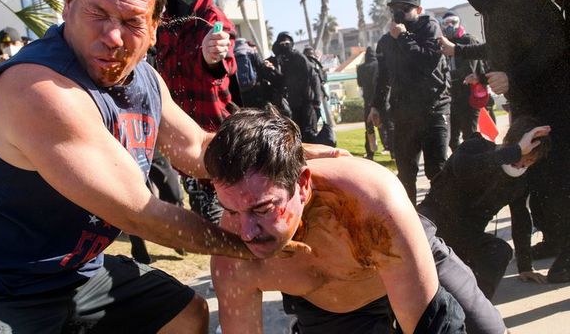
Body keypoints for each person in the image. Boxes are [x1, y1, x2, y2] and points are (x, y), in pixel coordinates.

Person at [0, 0, 338, 331]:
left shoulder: (142, 77)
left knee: (186, 314)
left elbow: (198, 148)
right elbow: (142, 213)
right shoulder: (37, 89)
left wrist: (287, 156)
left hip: (78, 275)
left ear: (155, 26)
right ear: (69, 1)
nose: (113, 37)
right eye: (98, 12)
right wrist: (252, 245)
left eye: (131, 22)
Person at [207, 107, 508, 334]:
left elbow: (426, 324)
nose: (246, 232)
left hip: (410, 264)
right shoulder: (233, 257)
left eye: (262, 209)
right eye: (231, 210)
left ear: (301, 184)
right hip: (333, 310)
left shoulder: (370, 202)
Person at [440, 0, 570, 283]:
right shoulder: (494, 6)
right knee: (538, 181)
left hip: (556, 103)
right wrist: (481, 75)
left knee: (559, 180)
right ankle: (555, 239)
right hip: (528, 106)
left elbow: (555, 45)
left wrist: (514, 77)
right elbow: (501, 49)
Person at [419, 117, 551, 299]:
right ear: (511, 143)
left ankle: (471, 306)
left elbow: (520, 217)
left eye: (530, 160)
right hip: (429, 228)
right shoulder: (476, 146)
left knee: (500, 251)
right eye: (522, 155)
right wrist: (515, 152)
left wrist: (525, 265)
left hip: (463, 239)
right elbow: (463, 169)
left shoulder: (519, 182)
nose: (522, 163)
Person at [155, 0, 238, 225]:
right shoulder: (162, 23)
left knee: (225, 222)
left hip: (215, 141)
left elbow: (223, 65)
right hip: (181, 141)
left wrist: (211, 56)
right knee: (203, 218)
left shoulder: (215, 21)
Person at [370, 0, 451, 204]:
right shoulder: (387, 41)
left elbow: (428, 63)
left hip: (433, 111)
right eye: (395, 9)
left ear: (419, 9)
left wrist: (404, 37)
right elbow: (383, 78)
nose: (399, 13)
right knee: (406, 173)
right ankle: (410, 223)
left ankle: (443, 221)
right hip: (404, 114)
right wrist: (376, 106)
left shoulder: (429, 27)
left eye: (405, 9)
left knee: (437, 171)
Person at [440, 11, 487, 151]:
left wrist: (445, 75)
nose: (450, 26)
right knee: (452, 138)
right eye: (446, 23)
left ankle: (475, 165)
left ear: (459, 23)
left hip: (469, 95)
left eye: (453, 22)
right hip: (452, 95)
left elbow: (468, 72)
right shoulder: (445, 44)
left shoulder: (468, 40)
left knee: (470, 135)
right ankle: (461, 165)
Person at [267, 32, 323, 142]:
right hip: (294, 104)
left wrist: (317, 100)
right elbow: (283, 80)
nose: (284, 45)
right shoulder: (283, 61)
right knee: (298, 133)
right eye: (281, 43)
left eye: (287, 43)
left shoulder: (299, 57)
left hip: (308, 102)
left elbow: (314, 77)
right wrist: (272, 69)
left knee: (309, 132)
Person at [357, 47, 379, 159]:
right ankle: (393, 152)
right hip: (380, 98)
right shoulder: (378, 65)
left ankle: (370, 152)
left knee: (369, 127)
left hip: (368, 100)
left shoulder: (361, 68)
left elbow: (360, 83)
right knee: (387, 125)